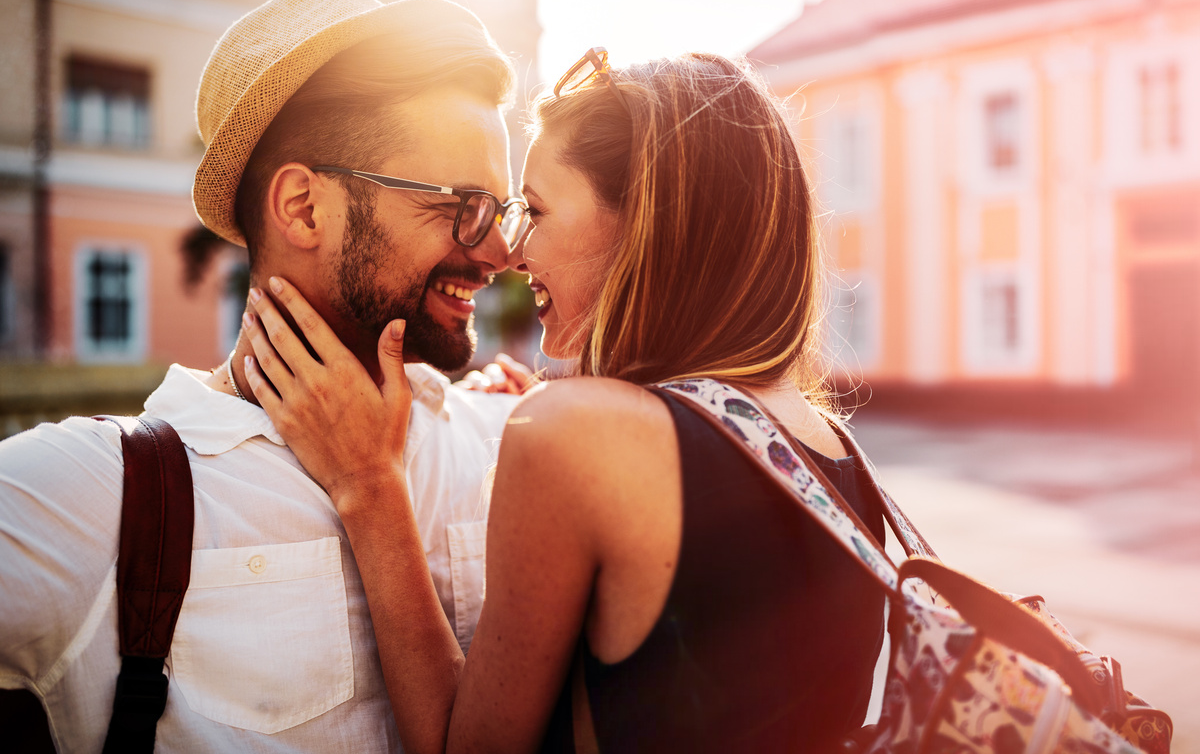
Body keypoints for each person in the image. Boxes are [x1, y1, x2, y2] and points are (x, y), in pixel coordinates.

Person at [242, 49, 888, 752]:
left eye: (536, 211)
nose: (511, 256)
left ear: (645, 222)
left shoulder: (572, 435)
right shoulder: (832, 446)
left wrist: (368, 482)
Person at [0, 0, 529, 752]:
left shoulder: (511, 444)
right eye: (465, 208)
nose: (502, 253)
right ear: (303, 208)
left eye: (504, 211)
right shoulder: (100, 492)